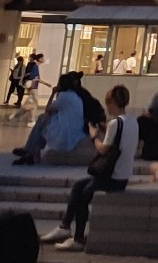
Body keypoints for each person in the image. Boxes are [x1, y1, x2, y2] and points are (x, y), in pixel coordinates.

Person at [43, 83, 134, 249]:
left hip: (112, 176)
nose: (108, 108)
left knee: (83, 194)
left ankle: (77, 238)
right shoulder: (132, 121)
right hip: (123, 175)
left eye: (109, 104)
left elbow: (102, 148)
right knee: (78, 186)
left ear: (113, 102)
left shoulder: (115, 123)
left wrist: (94, 136)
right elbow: (119, 141)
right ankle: (64, 227)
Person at [13, 70, 89, 166]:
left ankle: (29, 150)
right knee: (44, 122)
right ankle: (30, 152)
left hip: (67, 134)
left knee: (42, 119)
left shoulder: (64, 96)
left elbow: (48, 109)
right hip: (74, 130)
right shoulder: (76, 96)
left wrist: (53, 93)